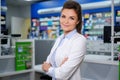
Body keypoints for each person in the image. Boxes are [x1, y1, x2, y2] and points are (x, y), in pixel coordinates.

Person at [42, 1, 86, 80]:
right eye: (63, 16)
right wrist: (59, 68)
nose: (66, 21)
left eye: (71, 18)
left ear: (78, 21)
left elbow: (62, 75)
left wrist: (50, 69)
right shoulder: (60, 38)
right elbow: (46, 63)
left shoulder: (79, 40)